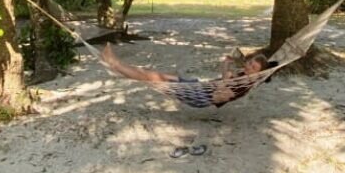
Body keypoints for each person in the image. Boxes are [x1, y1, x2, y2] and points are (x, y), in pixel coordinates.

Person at [100, 44, 279, 107]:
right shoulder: (242, 76)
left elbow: (218, 98)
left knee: (153, 77)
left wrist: (226, 77)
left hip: (200, 96)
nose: (248, 65)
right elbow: (222, 81)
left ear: (258, 73)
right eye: (249, 62)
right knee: (158, 76)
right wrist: (226, 64)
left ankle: (114, 63)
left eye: (253, 66)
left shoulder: (244, 85)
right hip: (199, 87)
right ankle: (118, 66)